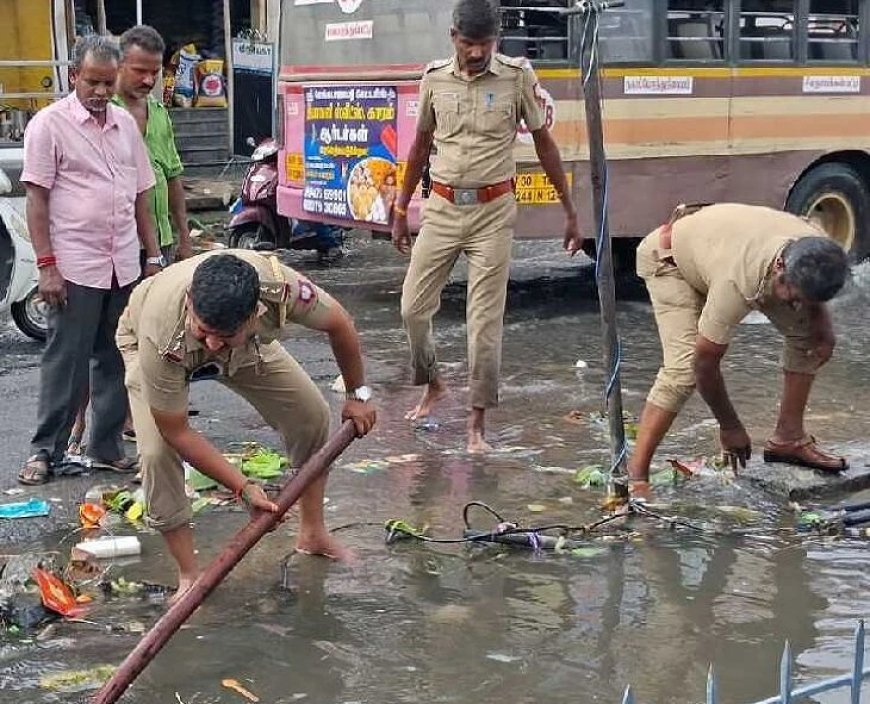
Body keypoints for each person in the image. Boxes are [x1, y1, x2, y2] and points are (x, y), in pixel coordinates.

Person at [115, 250, 377, 598]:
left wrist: (358, 396)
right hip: (157, 340)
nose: (211, 344)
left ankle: (313, 533)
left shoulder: (278, 288)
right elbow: (175, 430)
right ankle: (189, 575)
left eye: (222, 336)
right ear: (191, 302)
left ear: (256, 315)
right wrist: (243, 487)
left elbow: (339, 323)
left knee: (311, 414)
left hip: (245, 346)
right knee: (156, 452)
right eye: (205, 331)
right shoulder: (162, 333)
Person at [391, 0, 582, 453]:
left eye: (485, 43)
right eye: (468, 42)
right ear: (453, 36)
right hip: (440, 207)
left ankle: (477, 422)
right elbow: (419, 145)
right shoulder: (434, 78)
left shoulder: (517, 76)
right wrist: (400, 209)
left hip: (494, 214)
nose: (476, 52)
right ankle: (433, 382)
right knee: (412, 310)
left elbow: (544, 144)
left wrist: (570, 210)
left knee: (483, 326)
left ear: (495, 40)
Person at [18, 34, 162, 486]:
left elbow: (142, 196)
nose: (100, 92)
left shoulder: (124, 125)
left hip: (123, 260)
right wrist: (46, 265)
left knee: (117, 357)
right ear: (73, 76)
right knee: (66, 361)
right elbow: (37, 200)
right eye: (92, 82)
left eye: (107, 83)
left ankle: (105, 448)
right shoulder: (49, 125)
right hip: (74, 265)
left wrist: (153, 256)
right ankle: (45, 452)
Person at [627, 202, 850, 492]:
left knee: (810, 338)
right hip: (670, 260)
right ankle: (636, 474)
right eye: (792, 294)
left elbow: (809, 301)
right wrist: (730, 426)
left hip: (719, 251)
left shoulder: (817, 247)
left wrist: (823, 327)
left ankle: (788, 439)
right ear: (780, 267)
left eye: (804, 299)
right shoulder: (739, 280)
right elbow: (704, 364)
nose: (795, 303)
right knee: (682, 371)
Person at [68, 24, 193, 456]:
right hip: (113, 244)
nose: (146, 79)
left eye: (154, 72)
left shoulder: (158, 114)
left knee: (151, 336)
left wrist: (181, 236)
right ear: (119, 64)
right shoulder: (100, 108)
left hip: (154, 243)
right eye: (138, 70)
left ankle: (137, 416)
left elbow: (172, 177)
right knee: (100, 343)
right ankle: (80, 427)